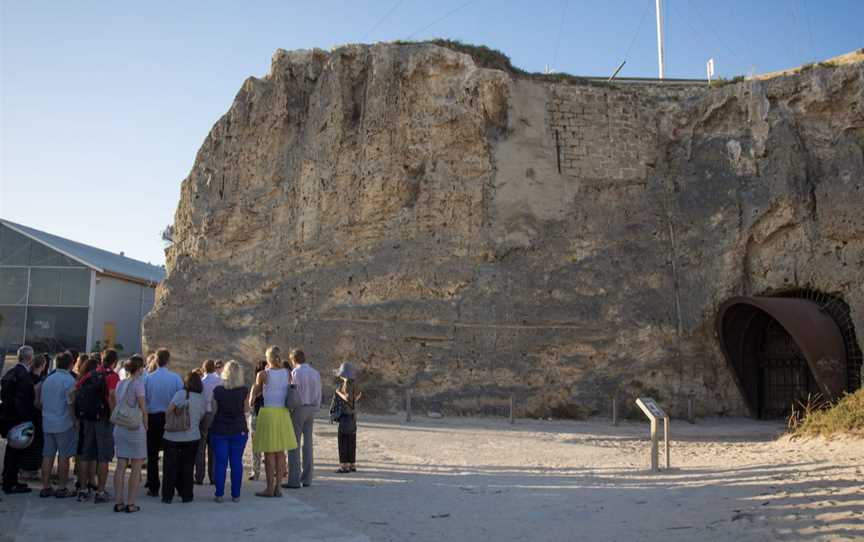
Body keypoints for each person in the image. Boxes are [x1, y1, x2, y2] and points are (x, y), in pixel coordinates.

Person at [249, 346, 297, 498]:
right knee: (281, 453)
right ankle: (278, 488)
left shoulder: (262, 374)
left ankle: (269, 488)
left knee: (269, 454)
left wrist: (251, 397)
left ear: (268, 358)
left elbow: (256, 392)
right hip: (283, 414)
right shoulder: (288, 373)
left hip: (268, 413)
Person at [75, 349, 119, 503]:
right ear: (115, 362)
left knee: (86, 454)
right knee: (104, 457)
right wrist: (114, 415)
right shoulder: (112, 376)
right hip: (104, 420)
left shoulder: (91, 373)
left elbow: (75, 390)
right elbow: (112, 396)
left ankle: (82, 489)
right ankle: (100, 491)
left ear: (102, 358)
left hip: (87, 419)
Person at [143, 348, 183, 497]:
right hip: (169, 417)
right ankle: (170, 485)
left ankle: (153, 486)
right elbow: (180, 399)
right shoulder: (176, 378)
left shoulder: (148, 378)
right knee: (171, 454)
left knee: (152, 455)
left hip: (153, 418)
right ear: (168, 360)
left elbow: (145, 399)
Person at [162, 371, 205, 503]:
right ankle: (187, 494)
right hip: (192, 436)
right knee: (187, 467)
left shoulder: (181, 394)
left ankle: (167, 495)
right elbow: (202, 416)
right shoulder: (200, 398)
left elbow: (168, 411)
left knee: (170, 467)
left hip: (173, 436)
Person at [39, 352, 77, 498]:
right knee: (64, 456)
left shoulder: (48, 379)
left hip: (47, 421)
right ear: (71, 364)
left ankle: (46, 486)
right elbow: (71, 404)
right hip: (64, 423)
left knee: (47, 455)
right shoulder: (69, 381)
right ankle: (62, 487)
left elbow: (42, 402)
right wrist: (74, 421)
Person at [1, 345, 38, 494]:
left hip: (7, 416)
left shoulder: (10, 372)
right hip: (18, 418)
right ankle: (11, 482)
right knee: (16, 452)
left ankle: (8, 479)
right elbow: (24, 399)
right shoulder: (24, 376)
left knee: (11, 450)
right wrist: (26, 419)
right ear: (29, 358)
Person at [210, 361, 249, 502]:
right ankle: (236, 495)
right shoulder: (244, 391)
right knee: (236, 462)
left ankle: (219, 494)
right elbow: (246, 410)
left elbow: (213, 410)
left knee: (220, 462)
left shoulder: (218, 391)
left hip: (220, 429)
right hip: (238, 429)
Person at [112, 355, 148, 513]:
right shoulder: (138, 384)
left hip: (120, 427)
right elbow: (143, 408)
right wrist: (146, 425)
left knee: (120, 465)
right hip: (134, 426)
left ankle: (118, 501)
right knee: (136, 466)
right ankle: (131, 502)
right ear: (140, 369)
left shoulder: (120, 383)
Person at [285, 349, 321, 489]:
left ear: (294, 359)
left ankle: (293, 480)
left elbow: (293, 394)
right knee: (308, 444)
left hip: (299, 409)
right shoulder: (315, 373)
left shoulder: (295, 373)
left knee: (294, 444)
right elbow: (318, 392)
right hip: (311, 408)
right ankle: (307, 478)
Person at [330, 362, 361, 474]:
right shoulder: (355, 384)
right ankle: (352, 464)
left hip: (345, 417)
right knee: (351, 441)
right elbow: (358, 395)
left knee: (343, 441)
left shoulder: (346, 384)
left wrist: (339, 393)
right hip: (353, 416)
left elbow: (347, 398)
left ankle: (344, 466)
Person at [21, 354, 48, 479]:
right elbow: (38, 401)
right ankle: (31, 469)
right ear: (42, 365)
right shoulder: (40, 381)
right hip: (36, 415)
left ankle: (23, 468)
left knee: (26, 442)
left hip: (25, 414)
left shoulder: (26, 377)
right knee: (36, 443)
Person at [195, 359, 221, 485]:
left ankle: (199, 476)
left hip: (204, 414)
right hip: (216, 414)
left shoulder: (202, 381)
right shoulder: (219, 380)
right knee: (213, 447)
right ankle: (214, 476)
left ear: (204, 368)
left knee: (201, 447)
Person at [247, 360, 266, 481]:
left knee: (256, 447)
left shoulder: (256, 386)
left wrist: (256, 396)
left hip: (256, 416)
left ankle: (256, 472)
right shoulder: (271, 387)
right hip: (268, 416)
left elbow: (250, 403)